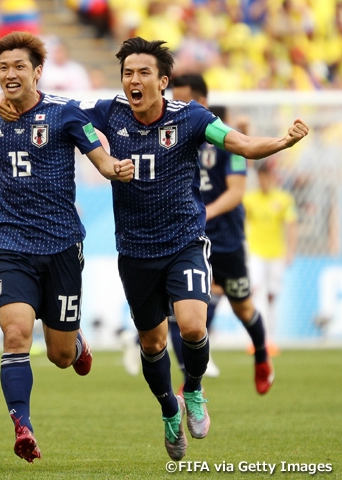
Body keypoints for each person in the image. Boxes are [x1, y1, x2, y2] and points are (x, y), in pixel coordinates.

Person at [75, 38, 308, 461]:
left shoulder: (193, 118)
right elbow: (61, 117)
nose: (134, 80)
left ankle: (195, 389)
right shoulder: (109, 113)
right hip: (135, 250)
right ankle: (169, 409)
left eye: (144, 72)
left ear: (162, 81)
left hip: (185, 242)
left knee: (194, 326)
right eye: (128, 72)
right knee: (151, 343)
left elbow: (240, 143)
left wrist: (282, 142)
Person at [0, 31, 134, 463]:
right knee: (15, 335)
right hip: (11, 244)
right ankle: (22, 426)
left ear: (37, 71)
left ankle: (76, 343)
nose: (10, 74)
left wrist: (114, 167)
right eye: (4, 67)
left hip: (62, 244)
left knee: (61, 356)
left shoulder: (64, 113)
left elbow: (98, 153)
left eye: (19, 66)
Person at [168, 73, 275, 395]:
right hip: (187, 238)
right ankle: (192, 380)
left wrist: (205, 213)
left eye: (184, 101)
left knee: (243, 307)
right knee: (186, 312)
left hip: (225, 240)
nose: (177, 107)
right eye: (174, 100)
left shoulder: (226, 139)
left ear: (201, 103)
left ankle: (261, 355)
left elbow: (236, 192)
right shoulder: (169, 138)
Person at [243, 161, 298, 350]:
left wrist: (291, 250)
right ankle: (257, 340)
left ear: (272, 177)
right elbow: (242, 223)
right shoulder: (250, 199)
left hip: (276, 253)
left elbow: (291, 226)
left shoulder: (283, 199)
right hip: (256, 252)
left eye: (267, 176)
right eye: (261, 176)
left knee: (272, 295)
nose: (263, 180)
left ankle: (270, 339)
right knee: (255, 291)